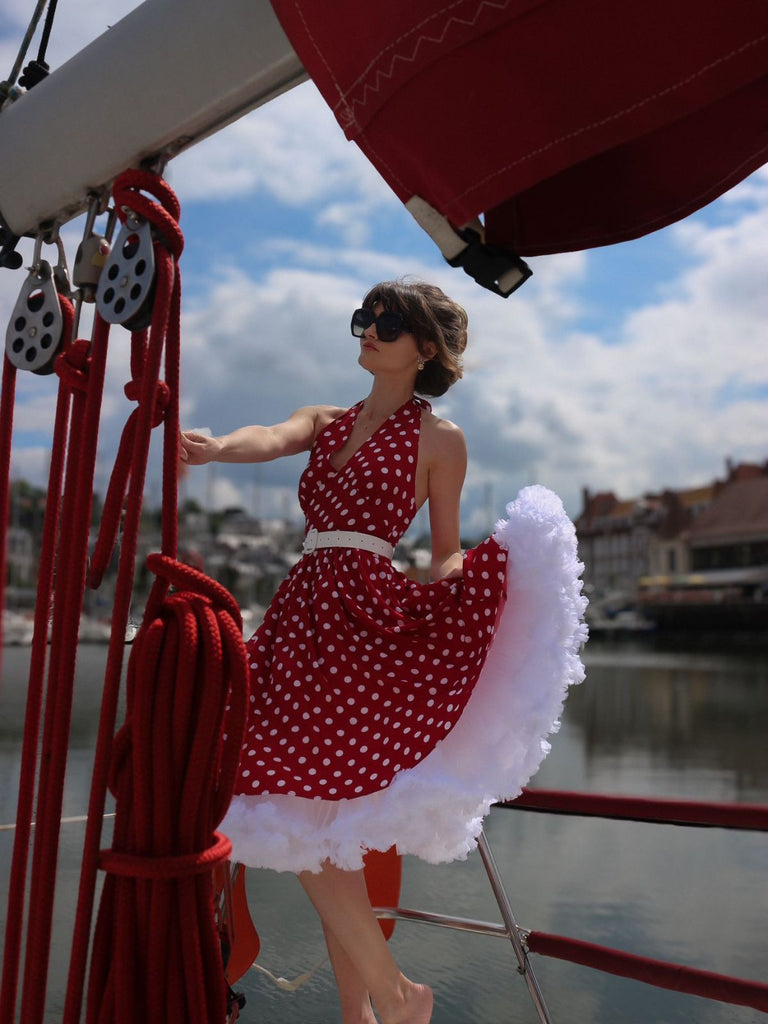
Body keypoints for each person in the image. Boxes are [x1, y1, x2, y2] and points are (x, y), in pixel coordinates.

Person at [179, 279, 587, 1024]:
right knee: (305, 808)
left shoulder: (442, 440)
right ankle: (368, 1012)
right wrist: (211, 450)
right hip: (303, 613)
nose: (368, 329)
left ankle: (391, 1000)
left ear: (424, 348)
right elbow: (267, 437)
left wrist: (485, 581)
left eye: (388, 322)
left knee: (309, 809)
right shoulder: (326, 420)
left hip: (365, 618)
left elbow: (440, 554)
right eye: (364, 317)